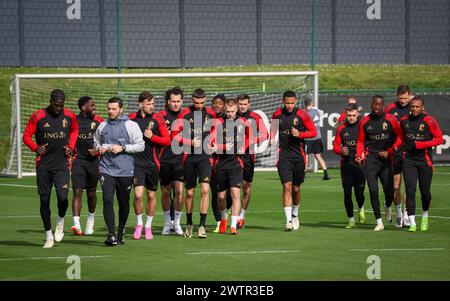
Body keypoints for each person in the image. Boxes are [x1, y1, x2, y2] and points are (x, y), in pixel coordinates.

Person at [23, 89, 79, 248]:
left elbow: (75, 130)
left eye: (61, 105)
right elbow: (26, 136)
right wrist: (35, 147)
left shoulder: (69, 115)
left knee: (63, 198)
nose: (58, 108)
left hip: (62, 164)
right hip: (44, 166)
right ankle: (49, 236)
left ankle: (60, 222)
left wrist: (72, 147)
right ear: (50, 101)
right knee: (44, 200)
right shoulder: (38, 116)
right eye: (56, 105)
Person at [94, 97, 145, 246]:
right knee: (107, 199)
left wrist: (123, 148)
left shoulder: (131, 125)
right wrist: (99, 148)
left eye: (114, 109)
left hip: (125, 171)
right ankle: (111, 234)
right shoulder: (102, 125)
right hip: (106, 169)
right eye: (109, 108)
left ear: (121, 109)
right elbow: (96, 141)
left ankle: (121, 231)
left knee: (123, 203)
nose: (110, 111)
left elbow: (140, 145)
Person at [171, 88, 217, 238]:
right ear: (192, 100)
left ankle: (202, 226)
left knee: (205, 189)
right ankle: (189, 223)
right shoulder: (184, 114)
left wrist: (214, 143)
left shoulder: (211, 113)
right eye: (196, 102)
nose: (199, 105)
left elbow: (215, 129)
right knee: (190, 193)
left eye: (202, 103)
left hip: (204, 157)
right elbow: (174, 136)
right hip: (189, 158)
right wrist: (189, 141)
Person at [394, 96, 443, 232]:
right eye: (412, 106)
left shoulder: (429, 120)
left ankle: (425, 216)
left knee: (425, 192)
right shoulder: (404, 121)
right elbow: (400, 137)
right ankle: (413, 222)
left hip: (425, 161)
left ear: (422, 107)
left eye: (417, 107)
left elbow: (439, 139)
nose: (414, 109)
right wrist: (396, 146)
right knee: (410, 191)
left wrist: (422, 145)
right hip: (409, 160)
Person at [270, 91, 317, 231]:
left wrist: (300, 134)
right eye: (287, 103)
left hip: (299, 157)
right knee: (287, 187)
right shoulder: (277, 114)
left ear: (295, 101)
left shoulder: (302, 115)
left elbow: (313, 132)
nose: (289, 105)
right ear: (283, 101)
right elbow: (273, 130)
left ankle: (295, 214)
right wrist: (272, 138)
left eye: (292, 103)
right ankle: (288, 220)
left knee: (296, 189)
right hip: (283, 156)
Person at [356, 95, 402, 231]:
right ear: (371, 104)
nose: (377, 107)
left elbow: (400, 137)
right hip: (371, 160)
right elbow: (360, 141)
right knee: (373, 190)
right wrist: (359, 155)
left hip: (386, 160)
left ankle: (387, 206)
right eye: (375, 104)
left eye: (380, 105)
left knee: (390, 192)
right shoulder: (364, 121)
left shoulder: (391, 120)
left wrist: (390, 151)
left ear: (383, 105)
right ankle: (379, 222)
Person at [129, 91, 171, 240]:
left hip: (153, 164)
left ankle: (148, 226)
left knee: (151, 195)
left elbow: (167, 141)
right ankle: (139, 224)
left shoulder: (158, 119)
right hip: (136, 163)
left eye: (153, 104)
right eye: (148, 104)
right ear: (140, 104)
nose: (151, 106)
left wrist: (152, 137)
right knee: (138, 195)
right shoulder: (131, 119)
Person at [214, 98, 249, 235]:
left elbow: (249, 138)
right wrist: (222, 147)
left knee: (235, 193)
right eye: (228, 111)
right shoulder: (218, 123)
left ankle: (233, 225)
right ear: (224, 110)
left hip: (236, 164)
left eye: (233, 111)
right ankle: (224, 219)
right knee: (221, 197)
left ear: (237, 110)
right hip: (221, 164)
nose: (230, 114)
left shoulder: (243, 123)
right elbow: (211, 144)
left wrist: (244, 147)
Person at [70, 96, 103, 236]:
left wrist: (97, 151)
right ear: (83, 107)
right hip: (78, 161)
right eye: (91, 105)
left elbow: (106, 139)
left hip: (94, 162)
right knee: (77, 191)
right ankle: (76, 225)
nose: (94, 107)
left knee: (91, 193)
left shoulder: (99, 121)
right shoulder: (74, 122)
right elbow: (68, 138)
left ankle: (90, 220)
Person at [236, 94, 269, 229]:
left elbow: (265, 134)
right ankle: (232, 216)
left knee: (246, 187)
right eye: (240, 104)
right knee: (233, 187)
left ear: (249, 104)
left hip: (248, 156)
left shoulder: (255, 117)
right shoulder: (232, 115)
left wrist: (249, 140)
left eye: (245, 104)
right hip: (232, 157)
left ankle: (242, 216)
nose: (242, 107)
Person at [158, 87, 186, 236]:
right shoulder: (160, 116)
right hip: (163, 160)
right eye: (173, 101)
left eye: (178, 101)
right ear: (168, 101)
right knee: (165, 191)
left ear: (181, 101)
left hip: (180, 160)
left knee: (180, 191)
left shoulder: (186, 116)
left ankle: (177, 223)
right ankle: (167, 223)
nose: (175, 104)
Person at [333, 104, 366, 228]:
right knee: (347, 193)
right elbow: (335, 146)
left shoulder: (363, 127)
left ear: (358, 114)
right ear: (345, 114)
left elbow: (368, 144)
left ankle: (361, 207)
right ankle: (351, 220)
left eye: (353, 115)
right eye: (349, 115)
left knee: (359, 193)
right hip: (346, 165)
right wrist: (341, 151)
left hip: (360, 165)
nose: (351, 118)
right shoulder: (341, 128)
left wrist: (363, 155)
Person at [385, 84, 413, 227]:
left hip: (410, 152)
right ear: (397, 96)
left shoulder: (414, 107)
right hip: (395, 152)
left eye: (405, 98)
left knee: (409, 185)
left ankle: (408, 215)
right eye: (400, 98)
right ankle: (399, 214)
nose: (403, 101)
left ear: (410, 95)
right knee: (396, 186)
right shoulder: (390, 109)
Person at [210, 93, 233, 233]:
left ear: (225, 105)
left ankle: (226, 211)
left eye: (220, 103)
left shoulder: (230, 120)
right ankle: (219, 222)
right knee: (215, 192)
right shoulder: (209, 118)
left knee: (230, 193)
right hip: (213, 160)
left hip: (229, 161)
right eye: (215, 103)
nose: (217, 105)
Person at [304, 98, 330, 180]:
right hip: (317, 137)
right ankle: (326, 173)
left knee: (306, 156)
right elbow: (322, 112)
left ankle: (303, 175)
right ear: (312, 104)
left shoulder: (304, 113)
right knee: (318, 156)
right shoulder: (317, 111)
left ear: (305, 104)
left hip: (308, 138)